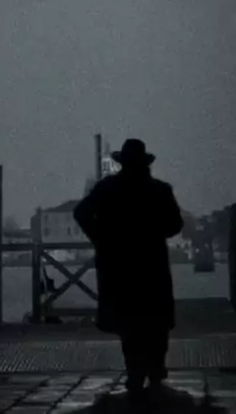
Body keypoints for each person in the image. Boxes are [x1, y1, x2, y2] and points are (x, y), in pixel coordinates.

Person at [73, 138, 183, 396]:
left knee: (128, 322)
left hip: (119, 265)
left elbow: (81, 213)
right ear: (145, 164)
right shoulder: (160, 190)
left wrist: (99, 238)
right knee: (155, 321)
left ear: (123, 163)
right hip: (151, 265)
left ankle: (135, 371)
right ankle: (155, 369)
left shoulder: (107, 188)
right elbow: (175, 225)